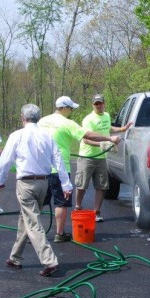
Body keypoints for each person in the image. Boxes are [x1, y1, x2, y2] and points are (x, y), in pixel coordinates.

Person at [0, 104, 72, 277]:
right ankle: (15, 257)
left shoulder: (16, 136)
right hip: (44, 183)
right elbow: (59, 162)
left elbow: (5, 160)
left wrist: (0, 180)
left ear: (23, 117)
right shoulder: (47, 136)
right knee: (26, 218)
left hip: (26, 184)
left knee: (33, 222)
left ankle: (49, 261)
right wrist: (66, 185)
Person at [37, 96, 122, 242]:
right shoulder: (67, 123)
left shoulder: (41, 121)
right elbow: (87, 135)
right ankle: (59, 233)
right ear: (64, 108)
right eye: (70, 108)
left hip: (39, 169)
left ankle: (32, 233)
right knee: (60, 203)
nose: (71, 111)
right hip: (59, 169)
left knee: (37, 203)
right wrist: (109, 139)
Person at [75, 94, 133, 222]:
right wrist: (103, 144)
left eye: (100, 103)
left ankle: (97, 212)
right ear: (93, 105)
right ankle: (78, 208)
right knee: (82, 185)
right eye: (96, 104)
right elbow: (86, 140)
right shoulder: (88, 119)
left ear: (104, 104)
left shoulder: (106, 116)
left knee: (101, 185)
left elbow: (108, 128)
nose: (99, 106)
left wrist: (122, 129)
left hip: (101, 158)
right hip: (87, 157)